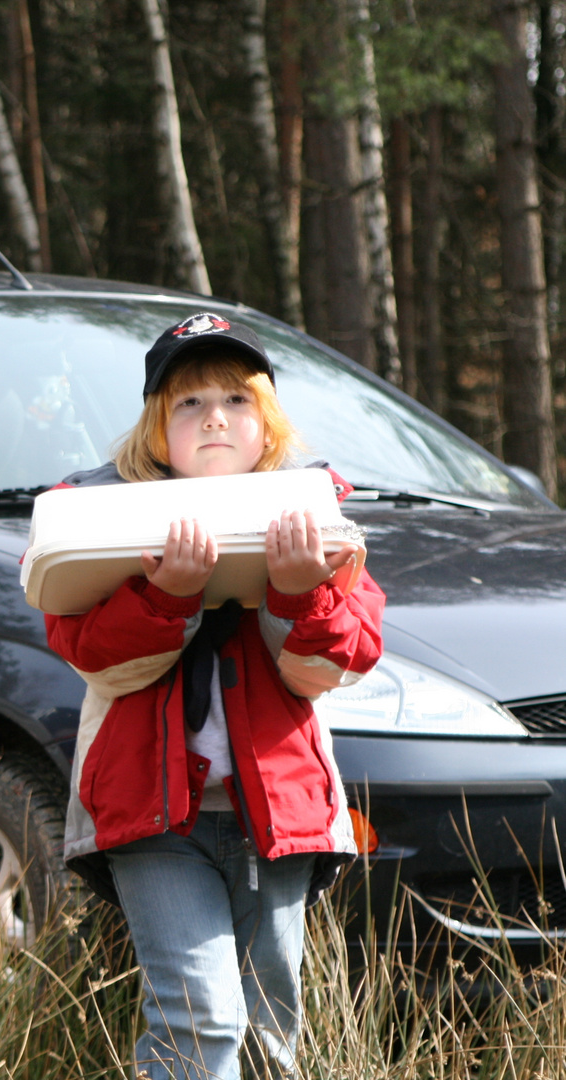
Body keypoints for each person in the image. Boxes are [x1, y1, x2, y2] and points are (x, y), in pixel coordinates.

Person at [43, 313, 385, 1080]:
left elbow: (349, 656)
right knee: (196, 1016)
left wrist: (300, 592)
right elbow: (84, 649)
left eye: (236, 399)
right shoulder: (106, 521)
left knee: (267, 1037)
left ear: (267, 425)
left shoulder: (312, 517)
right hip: (154, 816)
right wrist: (166, 594)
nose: (215, 418)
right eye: (189, 403)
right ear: (156, 431)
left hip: (275, 813)